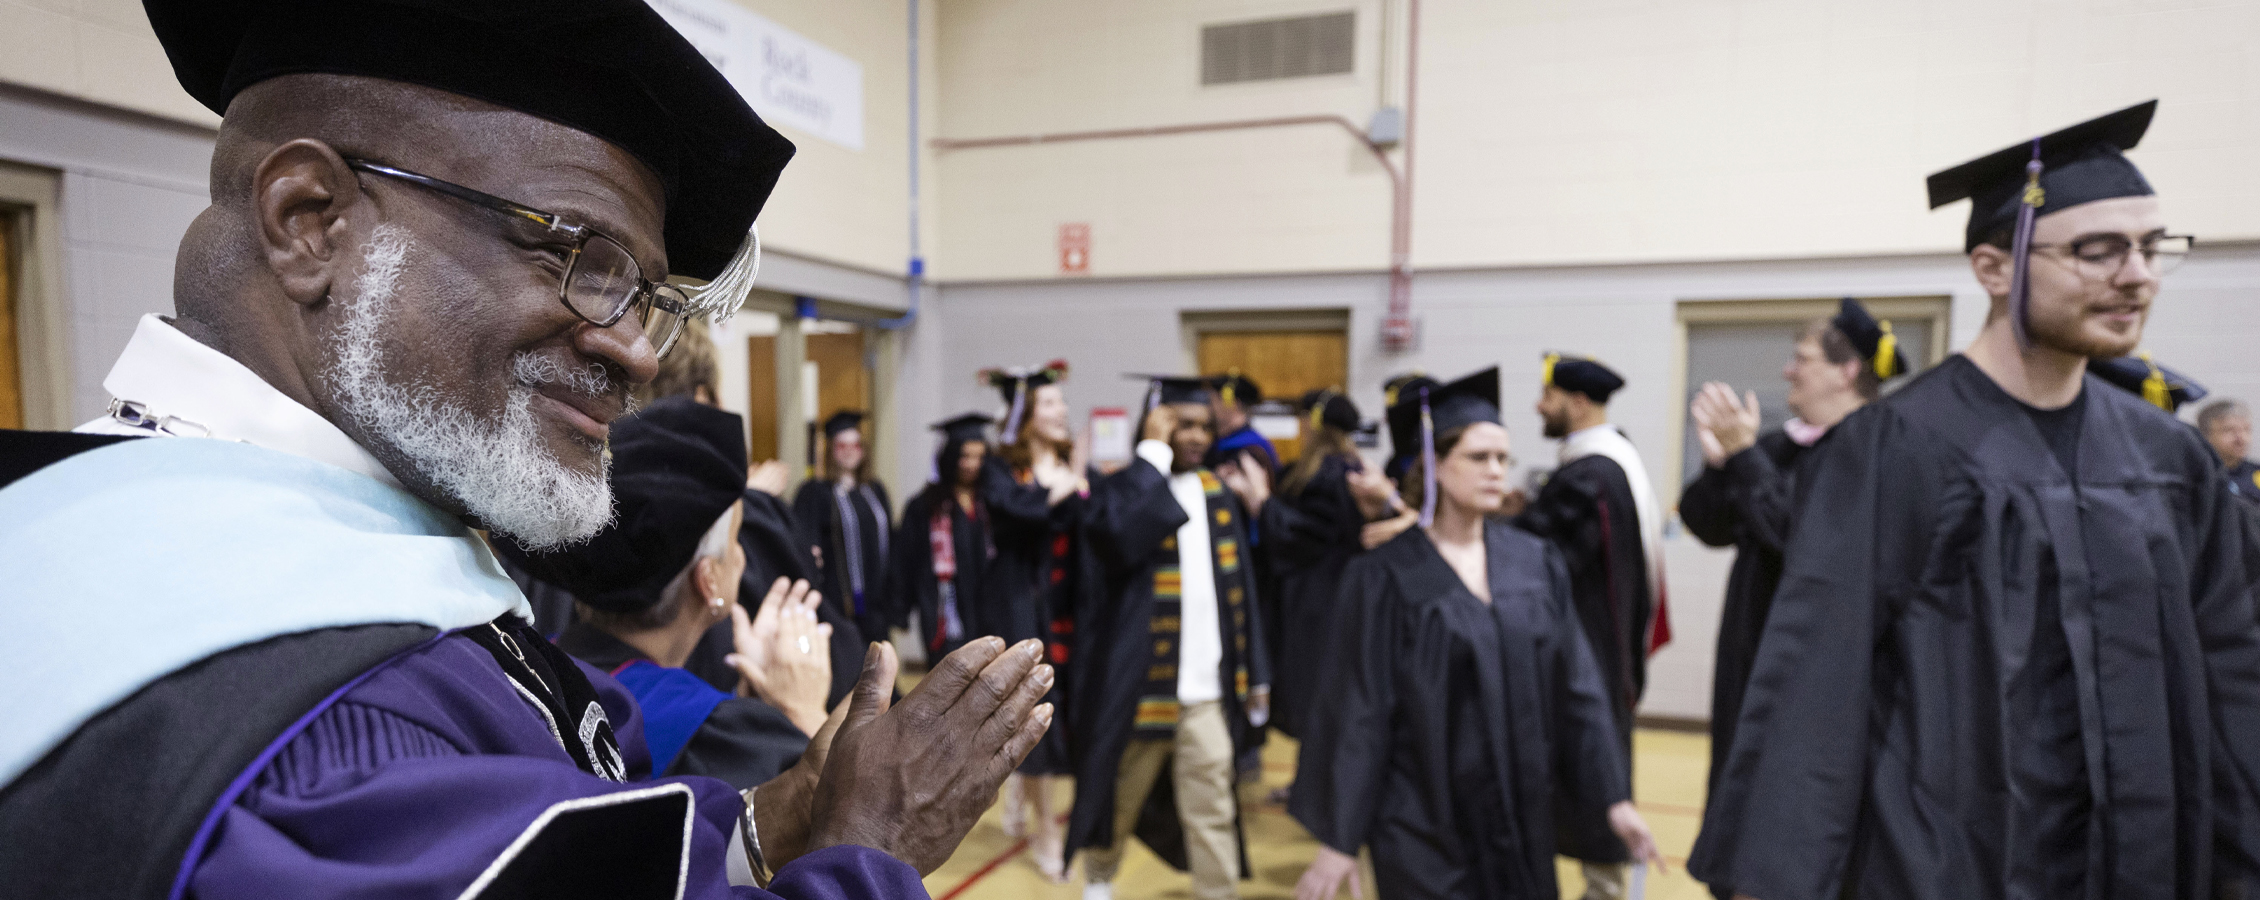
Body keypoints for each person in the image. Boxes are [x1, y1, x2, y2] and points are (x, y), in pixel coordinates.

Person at [0, 2, 1057, 895]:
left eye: (644, 294)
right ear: (309, 219)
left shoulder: (280, 552)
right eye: (578, 256)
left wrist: (780, 814)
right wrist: (872, 844)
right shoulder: (278, 724)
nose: (637, 353)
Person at [1692, 100, 2260, 900]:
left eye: (2150, 246)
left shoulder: (2169, 461)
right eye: (2098, 249)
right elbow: (1818, 683)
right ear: (1994, 268)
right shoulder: (1895, 448)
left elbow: (2232, 678)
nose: (2137, 274)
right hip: (1950, 868)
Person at [1290, 366, 1659, 900]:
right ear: (1435, 465)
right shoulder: (1383, 576)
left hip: (1520, 811)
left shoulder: (1533, 562)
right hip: (1422, 818)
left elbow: (1577, 686)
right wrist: (1340, 839)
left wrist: (1613, 797)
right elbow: (1358, 710)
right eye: (1478, 458)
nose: (1496, 472)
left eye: (1503, 459)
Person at [1676, 298, 1906, 897]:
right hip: (1750, 658)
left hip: (1816, 673)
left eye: (1801, 359)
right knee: (1737, 792)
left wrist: (1746, 458)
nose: (1787, 371)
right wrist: (1721, 460)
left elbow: (1801, 546)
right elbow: (1708, 524)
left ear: (1846, 371)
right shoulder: (1781, 447)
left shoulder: (1872, 453)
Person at [498, 396, 834, 789]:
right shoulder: (718, 738)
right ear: (708, 579)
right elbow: (840, 826)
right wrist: (803, 709)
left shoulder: (528, 670)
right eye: (736, 538)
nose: (742, 556)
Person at [1068, 376, 1272, 900]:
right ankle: (1099, 885)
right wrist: (1151, 459)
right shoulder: (1121, 491)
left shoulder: (1217, 494)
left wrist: (1258, 672)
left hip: (1207, 691)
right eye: (1182, 425)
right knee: (1117, 804)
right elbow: (1119, 543)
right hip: (1141, 690)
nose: (1197, 436)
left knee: (1214, 813)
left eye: (1205, 426)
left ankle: (1217, 893)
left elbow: (1243, 591)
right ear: (1156, 428)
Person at [1507, 352, 1667, 900]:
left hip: (1588, 658)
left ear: (1576, 402)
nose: (1538, 405)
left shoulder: (1590, 473)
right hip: (1605, 651)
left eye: (1547, 396)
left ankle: (1606, 890)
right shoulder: (1612, 462)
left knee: (1592, 782)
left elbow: (1545, 555)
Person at [978, 361, 1086, 881]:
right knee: (1034, 707)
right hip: (1018, 600)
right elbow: (1015, 511)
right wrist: (1058, 489)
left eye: (1061, 403)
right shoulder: (1002, 467)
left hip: (1063, 602)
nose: (1061, 410)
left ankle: (1021, 787)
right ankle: (1048, 827)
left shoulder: (1070, 465)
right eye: (1049, 403)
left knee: (1052, 711)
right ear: (1025, 413)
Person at [1261, 388, 1398, 741]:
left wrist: (1262, 505)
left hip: (1317, 595)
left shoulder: (1327, 474)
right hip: (1338, 592)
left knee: (1313, 687)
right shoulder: (1355, 468)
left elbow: (1307, 535)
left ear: (1315, 423)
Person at [888, 413, 997, 660]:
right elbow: (905, 559)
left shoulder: (991, 500)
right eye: (965, 456)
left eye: (979, 457)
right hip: (944, 608)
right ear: (951, 458)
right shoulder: (926, 505)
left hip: (988, 605)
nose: (972, 464)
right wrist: (899, 609)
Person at [793, 410, 896, 645]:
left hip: (876, 603)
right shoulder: (815, 492)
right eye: (841, 445)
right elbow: (806, 541)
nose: (849, 451)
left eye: (856, 445)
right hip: (837, 602)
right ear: (830, 449)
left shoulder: (875, 490)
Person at [1207, 371, 1281, 476]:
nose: (1209, 407)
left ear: (1233, 404)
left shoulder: (1251, 448)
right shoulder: (1218, 441)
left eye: (1212, 401)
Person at [2194, 396, 2260, 505]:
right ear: (2204, 436)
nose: (2241, 438)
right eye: (2229, 430)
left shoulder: (2256, 473)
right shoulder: (2196, 476)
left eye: (2246, 429)